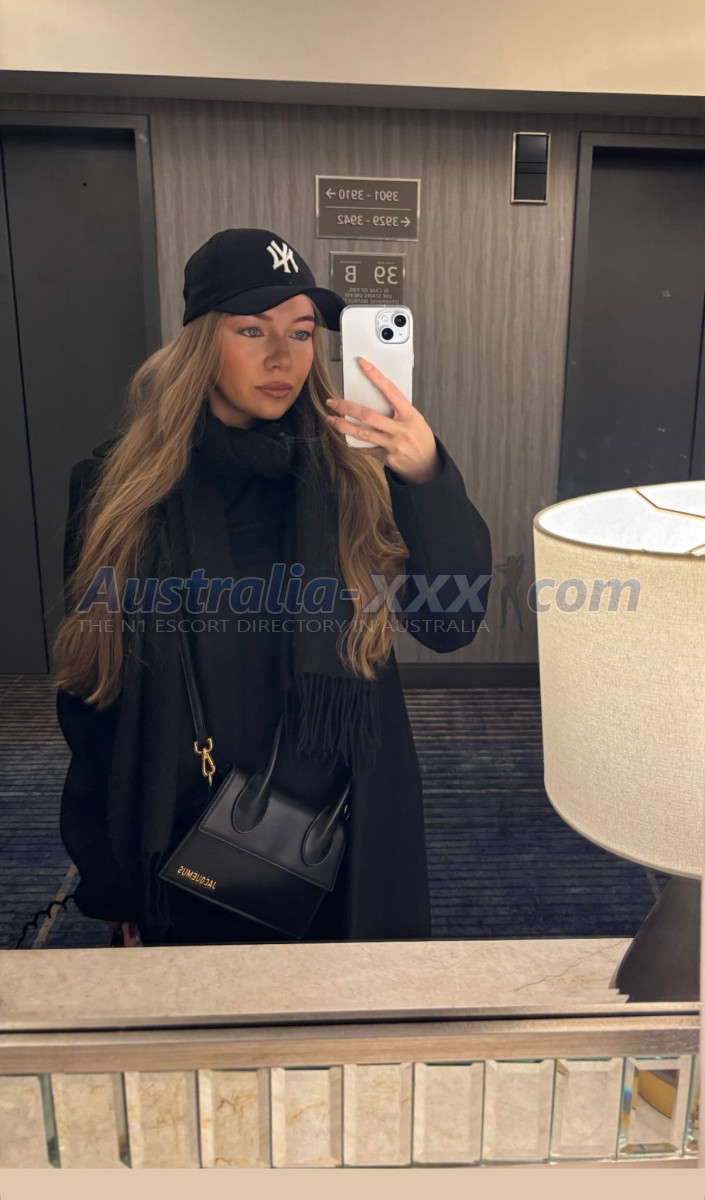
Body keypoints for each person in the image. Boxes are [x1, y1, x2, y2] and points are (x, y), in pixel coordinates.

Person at [53, 227, 492, 948]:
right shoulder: (118, 489)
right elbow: (93, 694)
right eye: (252, 329)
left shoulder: (357, 474)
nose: (283, 357)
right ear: (202, 341)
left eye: (301, 331)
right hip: (186, 824)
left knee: (351, 1011)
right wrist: (109, 876)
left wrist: (425, 477)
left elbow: (452, 621)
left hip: (344, 823)